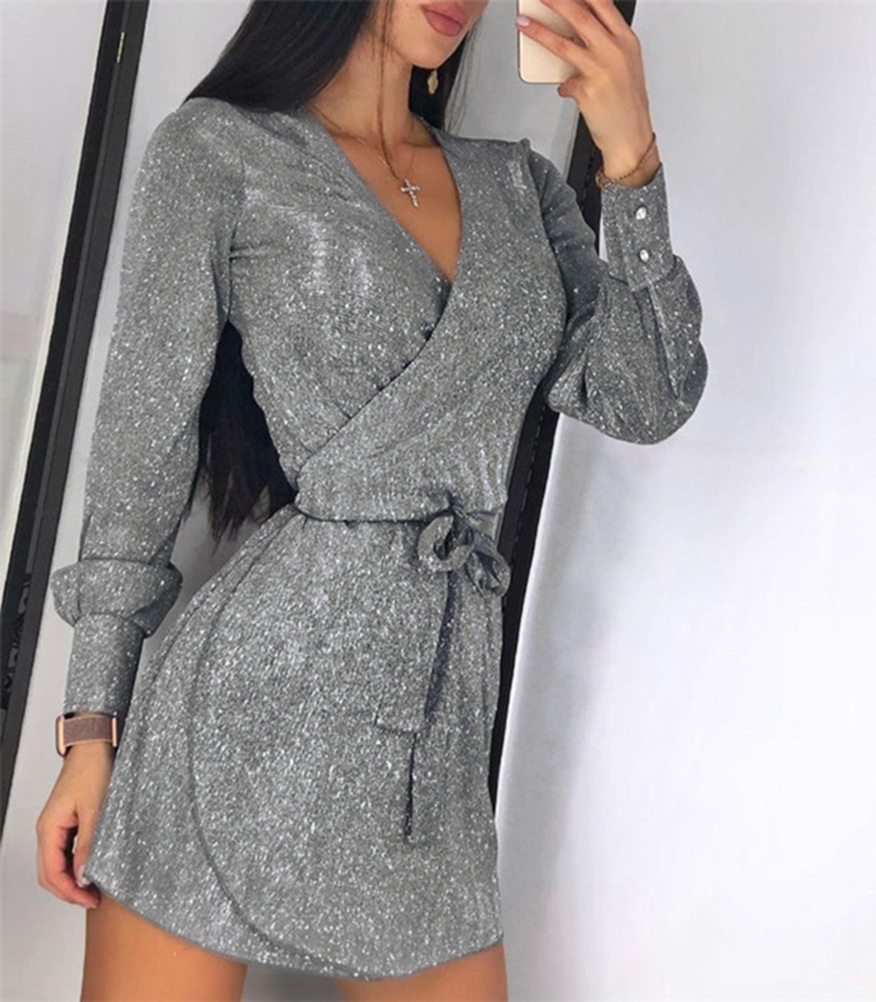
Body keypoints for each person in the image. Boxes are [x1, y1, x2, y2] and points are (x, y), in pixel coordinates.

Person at [35, 0, 708, 998]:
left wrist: (632, 162)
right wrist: (91, 730)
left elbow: (649, 396)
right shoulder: (218, 151)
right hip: (236, 718)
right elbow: (140, 457)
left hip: (431, 740)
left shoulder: (517, 188)